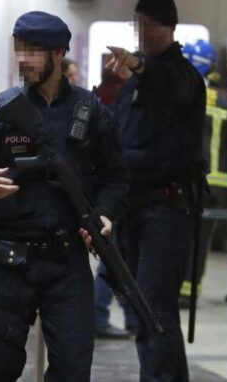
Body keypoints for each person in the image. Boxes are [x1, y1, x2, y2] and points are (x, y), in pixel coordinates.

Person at [0, 11, 128, 381]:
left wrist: (106, 213)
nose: (23, 59)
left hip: (67, 262)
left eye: (33, 51)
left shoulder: (91, 112)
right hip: (9, 260)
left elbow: (117, 176)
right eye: (19, 49)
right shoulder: (2, 111)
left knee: (72, 368)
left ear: (58, 53)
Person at [105, 0, 206, 382]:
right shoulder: (132, 87)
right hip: (134, 207)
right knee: (143, 310)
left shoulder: (181, 76)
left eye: (150, 25)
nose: (142, 32)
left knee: (154, 310)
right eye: (138, 24)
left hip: (167, 208)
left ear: (169, 28)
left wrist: (140, 65)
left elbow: (168, 83)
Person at [178, 40, 227, 307]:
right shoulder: (225, 98)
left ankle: (178, 288)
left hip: (189, 180)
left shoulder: (185, 95)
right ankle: (190, 292)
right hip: (218, 184)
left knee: (181, 236)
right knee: (202, 241)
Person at [92, 59, 136, 340]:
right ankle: (99, 315)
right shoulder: (121, 97)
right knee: (114, 258)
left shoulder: (98, 96)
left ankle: (133, 317)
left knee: (121, 258)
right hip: (120, 192)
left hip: (109, 191)